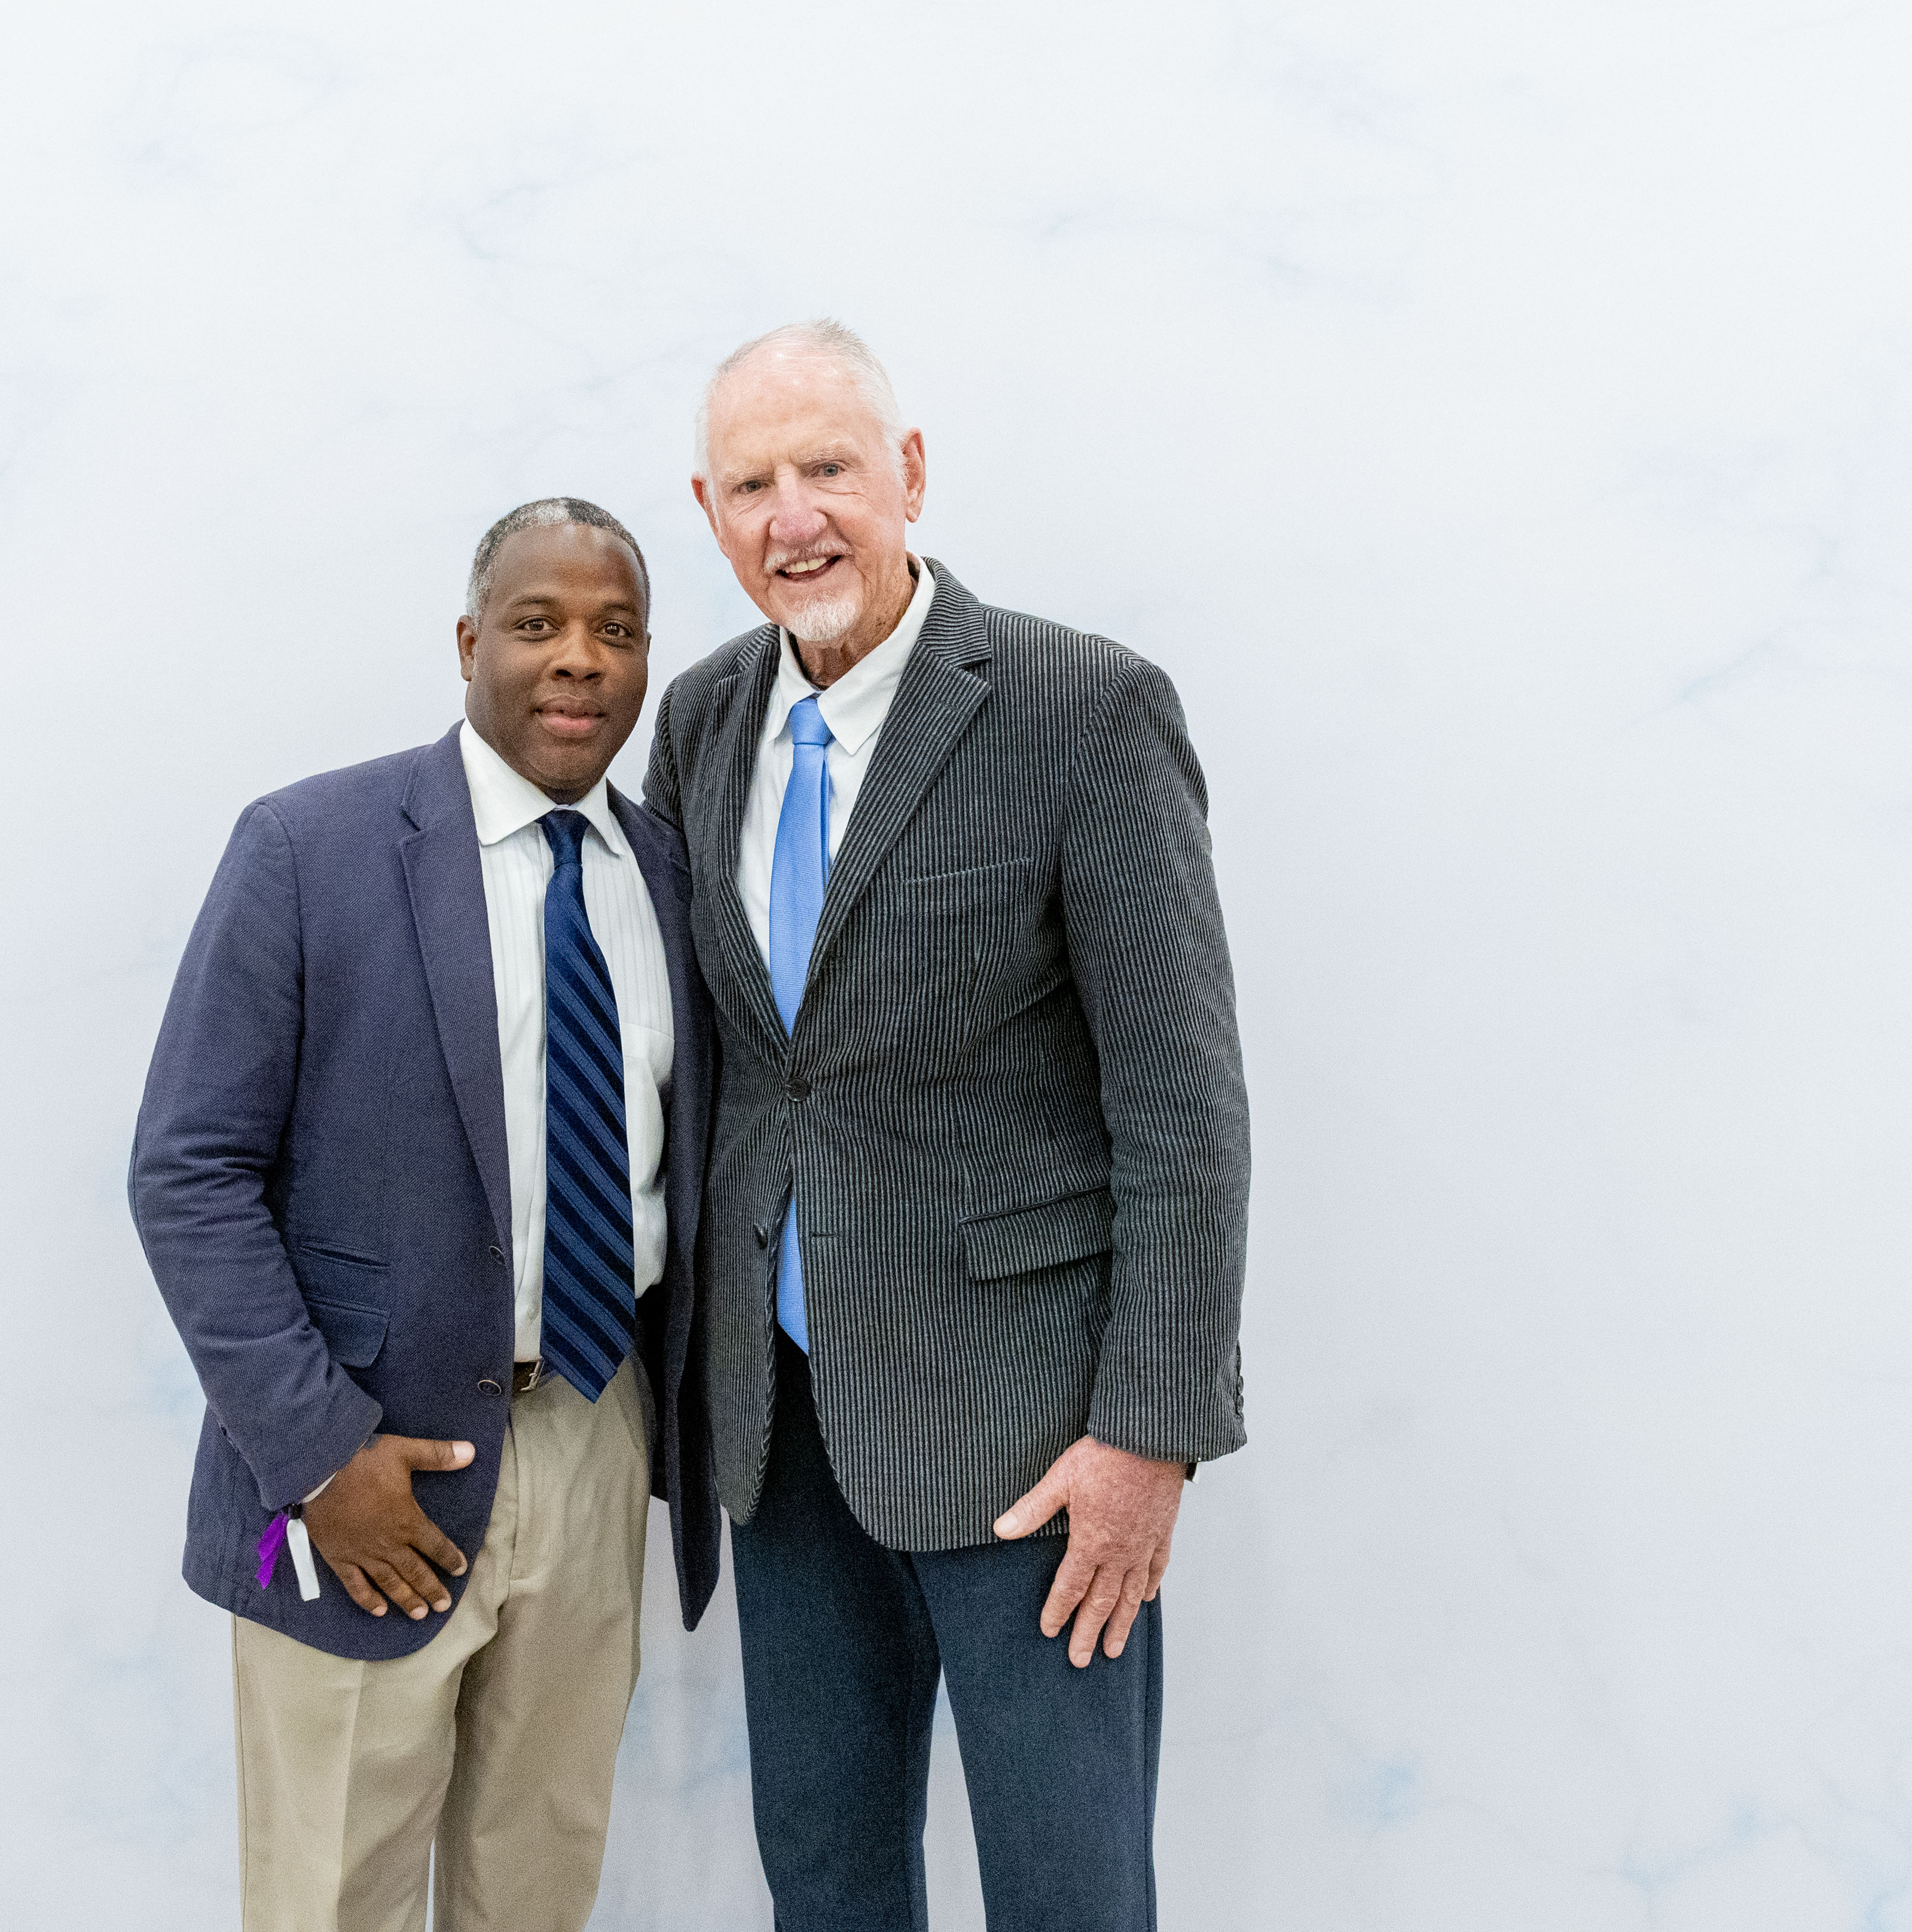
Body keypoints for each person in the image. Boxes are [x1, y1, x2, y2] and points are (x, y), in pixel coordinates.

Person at [641, 321, 1251, 1930]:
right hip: (779, 1431)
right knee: (826, 1883)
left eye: (827, 468)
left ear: (906, 473)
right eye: (750, 485)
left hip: (1033, 1443)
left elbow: (1181, 1106)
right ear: (707, 512)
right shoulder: (697, 724)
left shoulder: (1081, 708)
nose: (792, 518)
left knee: (1066, 1893)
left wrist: (1147, 1434)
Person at [128, 499, 718, 1932]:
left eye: (616, 630)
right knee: (333, 1899)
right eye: (537, 623)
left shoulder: (671, 879)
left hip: (592, 1435)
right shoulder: (307, 846)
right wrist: (318, 1455)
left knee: (537, 1889)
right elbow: (187, 1170)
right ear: (467, 642)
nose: (577, 658)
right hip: (362, 1471)